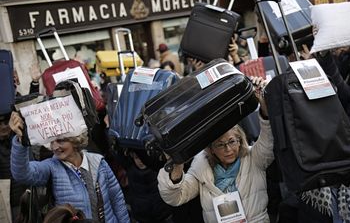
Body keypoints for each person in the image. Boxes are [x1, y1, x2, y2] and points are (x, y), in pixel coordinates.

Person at [157, 76, 274, 222]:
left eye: (232, 142)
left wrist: (263, 104)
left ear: (240, 140)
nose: (228, 149)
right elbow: (175, 197)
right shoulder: (201, 167)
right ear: (211, 149)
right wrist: (177, 164)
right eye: (220, 144)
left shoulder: (254, 158)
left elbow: (269, 138)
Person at [8, 112, 130, 223]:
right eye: (52, 141)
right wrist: (21, 141)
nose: (55, 147)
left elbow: (117, 200)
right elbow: (22, 174)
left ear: (75, 139)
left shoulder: (99, 162)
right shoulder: (51, 167)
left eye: (60, 141)